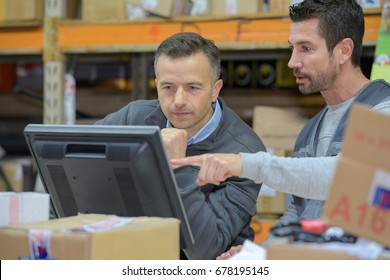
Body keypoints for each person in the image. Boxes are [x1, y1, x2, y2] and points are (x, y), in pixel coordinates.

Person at [171, 0, 390, 257]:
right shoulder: (310, 131)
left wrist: (245, 163)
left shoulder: (382, 111)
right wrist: (262, 253)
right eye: (292, 48)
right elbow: (295, 215)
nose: (292, 62)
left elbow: (345, 177)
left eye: (305, 48)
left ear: (344, 50)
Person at [95, 32, 266, 260]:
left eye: (192, 88)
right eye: (168, 87)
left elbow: (205, 249)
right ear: (156, 86)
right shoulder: (133, 119)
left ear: (215, 90)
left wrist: (178, 167)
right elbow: (71, 153)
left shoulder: (245, 151)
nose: (178, 100)